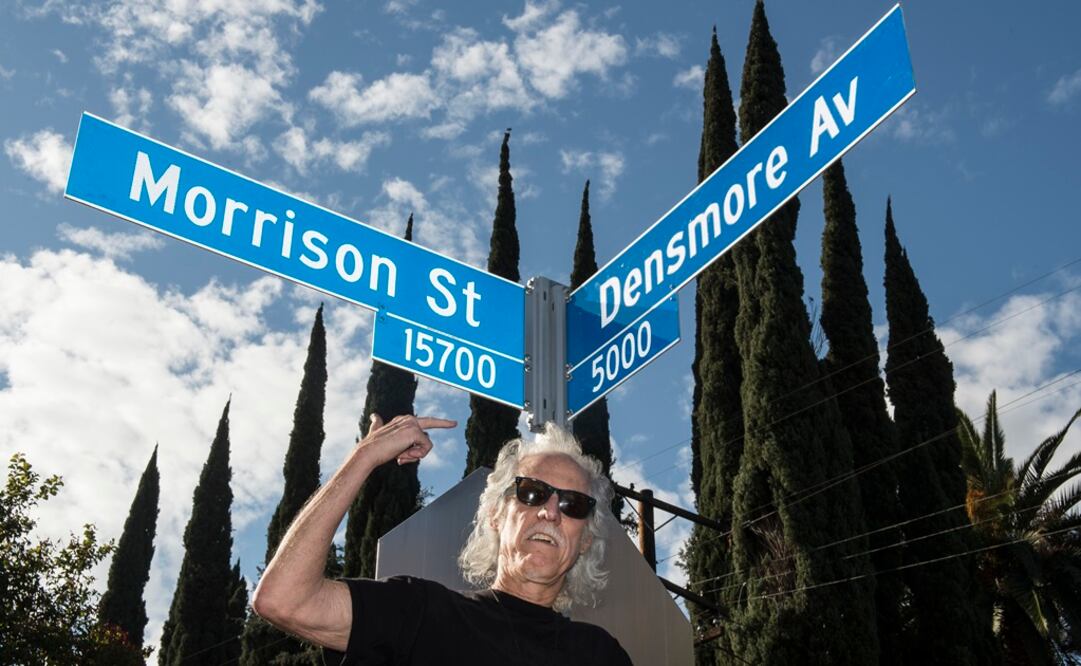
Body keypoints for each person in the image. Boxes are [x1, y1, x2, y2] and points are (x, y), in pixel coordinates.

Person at [252, 413, 633, 665]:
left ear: (585, 540)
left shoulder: (601, 655)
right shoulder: (420, 613)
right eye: (531, 492)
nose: (550, 512)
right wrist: (363, 458)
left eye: (573, 504)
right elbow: (284, 599)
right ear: (496, 515)